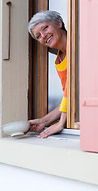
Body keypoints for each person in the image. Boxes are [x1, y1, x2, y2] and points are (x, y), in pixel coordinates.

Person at [28, 10, 67, 138]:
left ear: (58, 23)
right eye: (38, 36)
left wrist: (61, 122)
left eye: (45, 28)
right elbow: (69, 97)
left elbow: (76, 90)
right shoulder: (60, 58)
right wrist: (43, 121)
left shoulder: (77, 46)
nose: (43, 36)